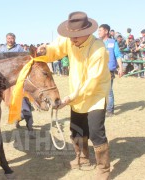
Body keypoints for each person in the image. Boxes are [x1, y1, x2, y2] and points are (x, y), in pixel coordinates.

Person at [38, 11, 111, 179]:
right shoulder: (70, 39)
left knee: (95, 131)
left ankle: (103, 168)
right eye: (71, 35)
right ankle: (83, 157)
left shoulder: (98, 48)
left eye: (77, 35)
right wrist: (45, 50)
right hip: (76, 94)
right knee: (76, 129)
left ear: (88, 32)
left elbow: (92, 81)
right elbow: (55, 49)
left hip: (95, 95)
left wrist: (70, 98)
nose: (72, 39)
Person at [0, 33, 35, 139]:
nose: (10, 40)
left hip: (19, 81)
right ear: (6, 39)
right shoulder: (2, 49)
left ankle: (30, 128)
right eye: (8, 38)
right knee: (13, 106)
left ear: (14, 39)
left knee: (26, 106)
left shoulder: (19, 48)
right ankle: (17, 119)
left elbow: (26, 60)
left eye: (12, 38)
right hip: (6, 82)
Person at [98, 24, 123, 117]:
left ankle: (109, 110)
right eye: (98, 31)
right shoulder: (97, 42)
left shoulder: (113, 42)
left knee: (109, 90)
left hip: (109, 70)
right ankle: (101, 108)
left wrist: (121, 68)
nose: (99, 32)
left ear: (106, 31)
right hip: (98, 71)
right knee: (99, 90)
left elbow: (118, 55)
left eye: (100, 30)